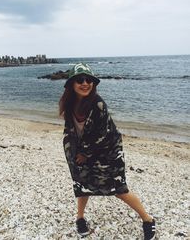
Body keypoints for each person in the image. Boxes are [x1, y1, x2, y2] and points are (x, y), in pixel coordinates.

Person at [59, 63, 156, 239]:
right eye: (80, 79)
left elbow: (102, 136)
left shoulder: (98, 105)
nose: (85, 83)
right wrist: (71, 152)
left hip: (108, 152)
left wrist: (84, 154)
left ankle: (148, 220)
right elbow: (69, 130)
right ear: (72, 84)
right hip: (81, 152)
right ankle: (80, 218)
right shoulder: (69, 104)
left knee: (119, 189)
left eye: (89, 80)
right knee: (82, 185)